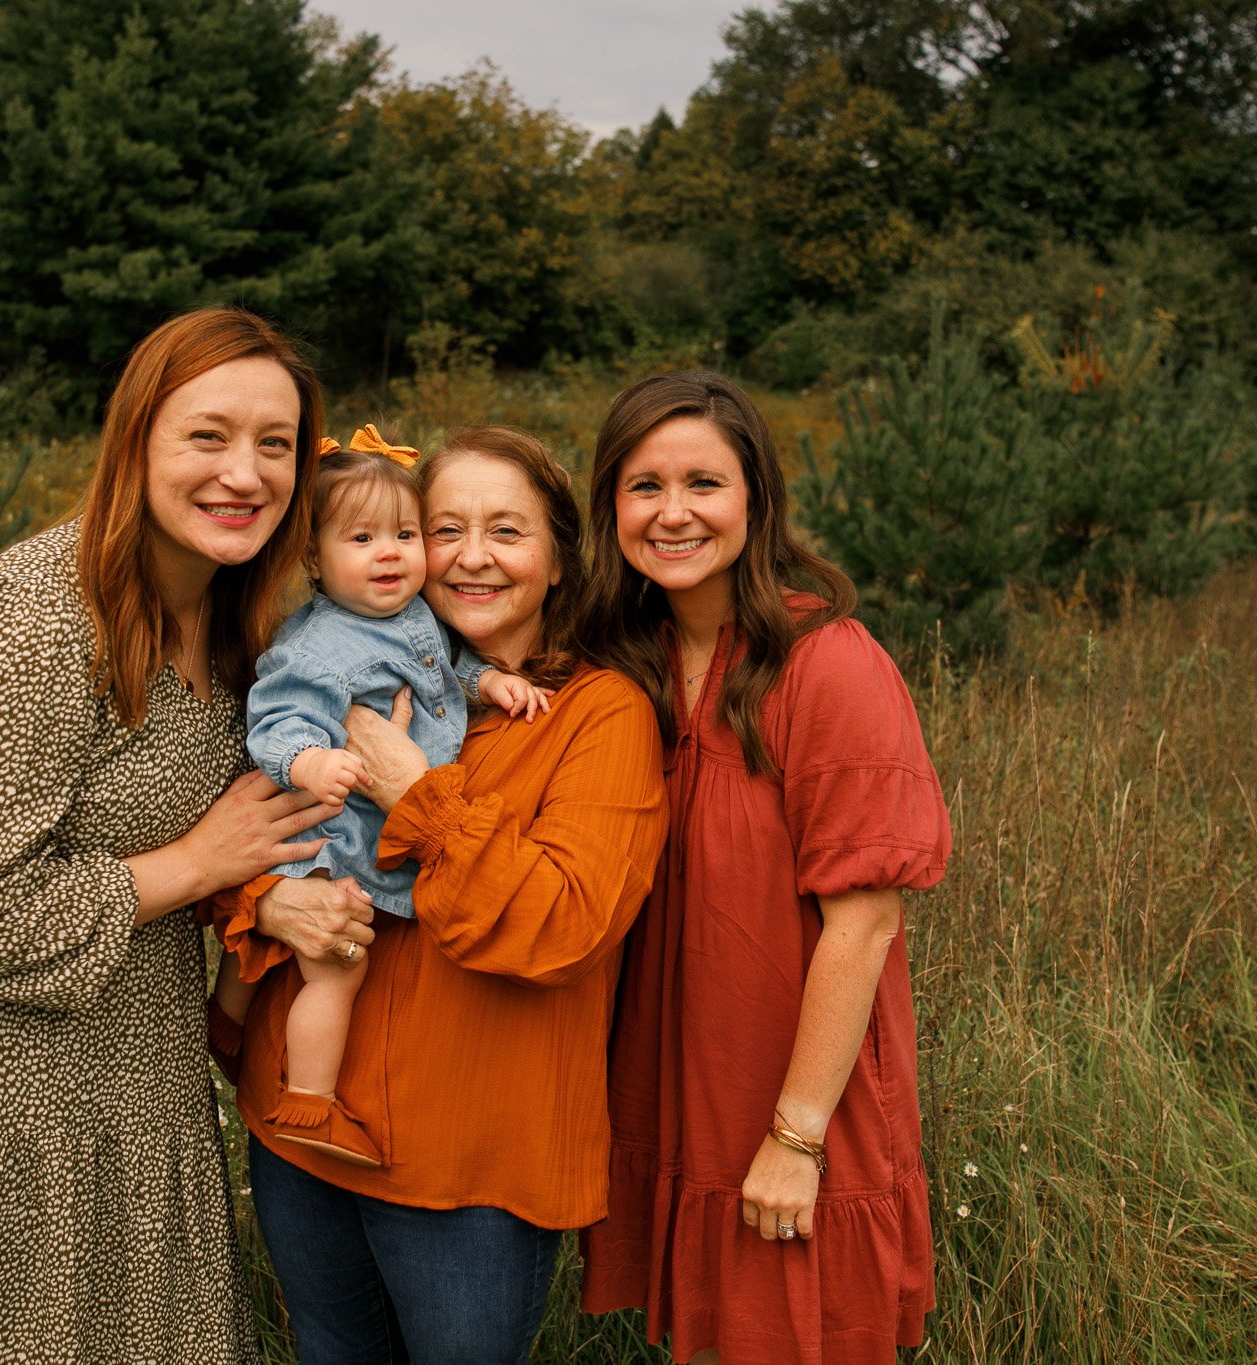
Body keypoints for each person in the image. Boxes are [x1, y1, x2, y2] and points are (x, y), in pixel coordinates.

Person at [0, 308, 339, 1364]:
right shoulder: (36, 620)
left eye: (277, 445)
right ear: (135, 444)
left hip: (127, 1079)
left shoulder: (235, 617)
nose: (245, 473)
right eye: (207, 436)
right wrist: (195, 864)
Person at [208, 426, 668, 1365]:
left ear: (557, 559)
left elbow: (560, 926)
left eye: (507, 530)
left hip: (470, 1166)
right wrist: (267, 903)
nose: (469, 556)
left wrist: (414, 790)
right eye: (443, 526)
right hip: (305, 1135)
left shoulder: (600, 713)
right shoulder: (337, 663)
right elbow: (251, 824)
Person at [576, 372, 953, 1365]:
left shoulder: (824, 663)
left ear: (755, 499)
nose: (671, 513)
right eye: (641, 486)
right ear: (608, 505)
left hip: (792, 1094)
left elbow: (863, 923)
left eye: (702, 482)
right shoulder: (627, 661)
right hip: (674, 1078)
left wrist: (794, 1139)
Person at [217, 429, 549, 1168]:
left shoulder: (406, 614)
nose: (391, 553)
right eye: (362, 538)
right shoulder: (318, 648)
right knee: (339, 966)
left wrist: (489, 683)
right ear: (313, 559)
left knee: (286, 943)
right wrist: (310, 760)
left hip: (359, 828)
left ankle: (227, 1018)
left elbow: (439, 669)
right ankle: (310, 1100)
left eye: (404, 533)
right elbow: (276, 721)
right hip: (336, 839)